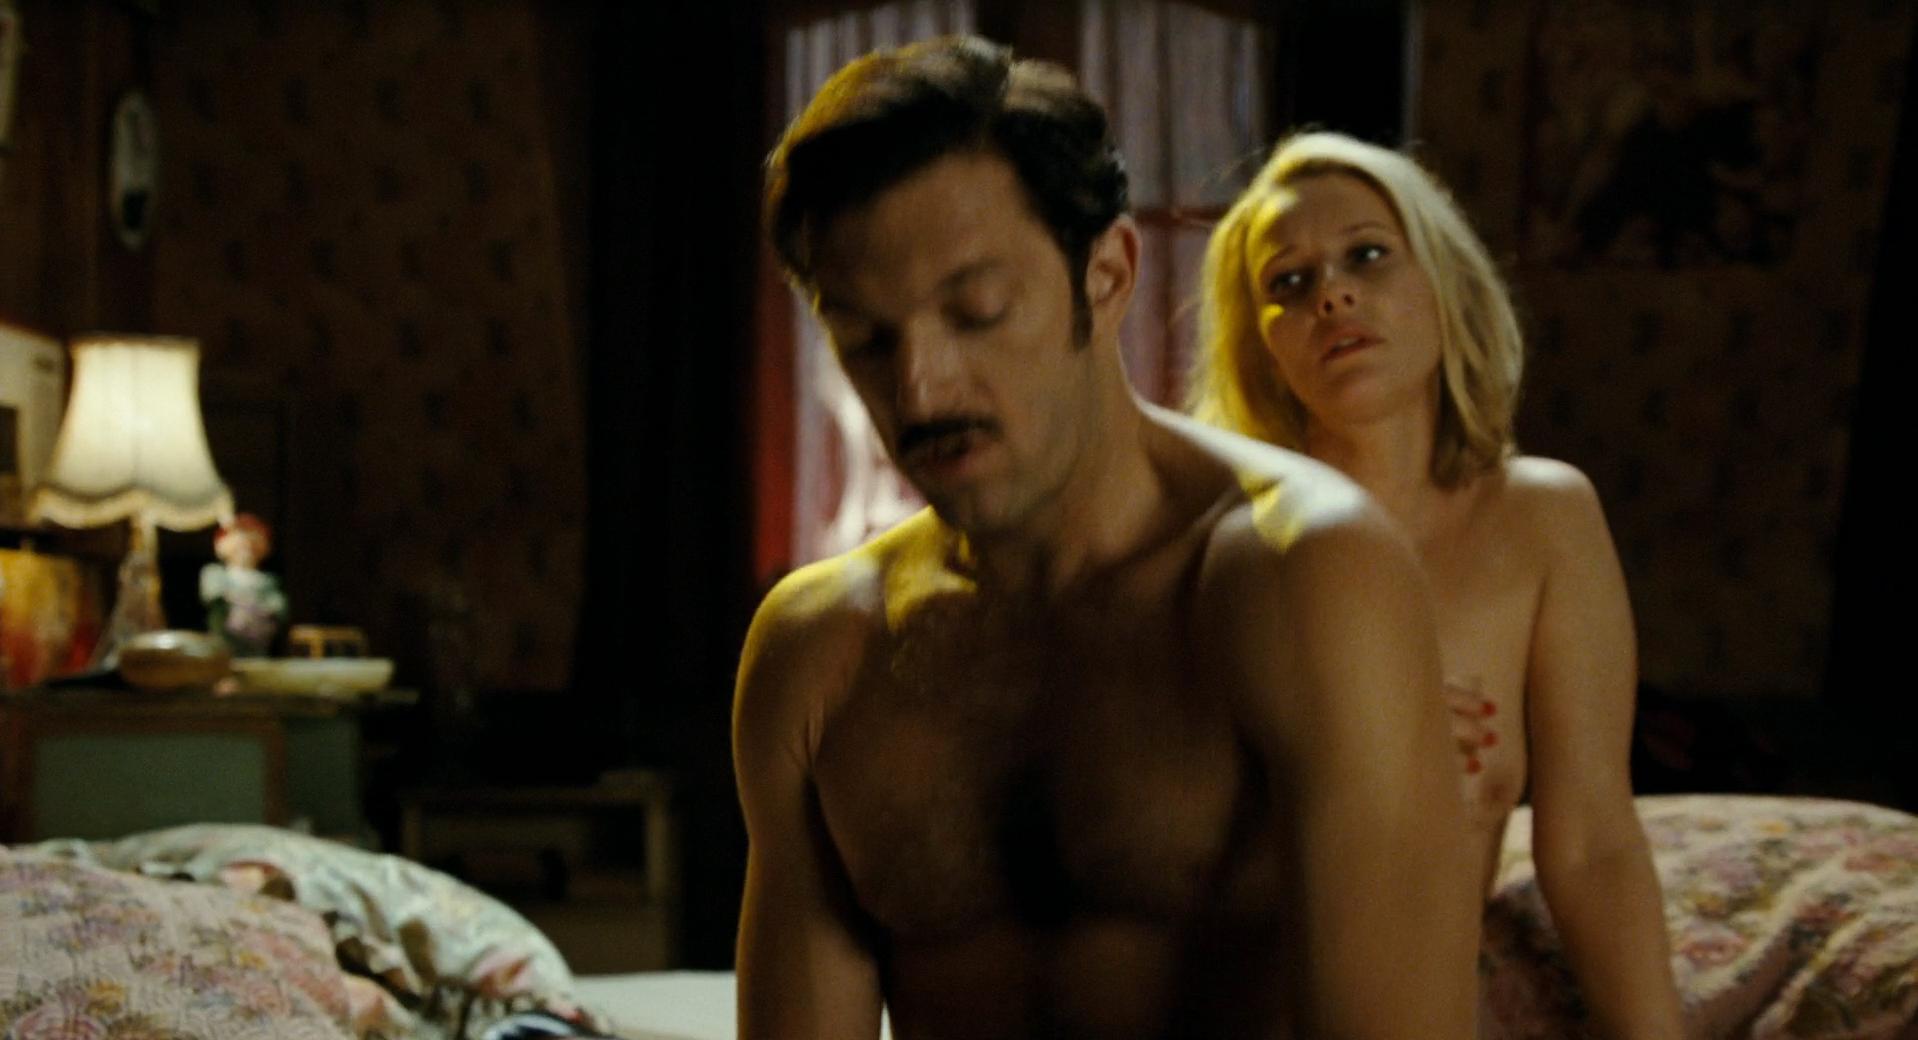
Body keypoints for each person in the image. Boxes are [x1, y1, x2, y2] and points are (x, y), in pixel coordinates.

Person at [734, 37, 1480, 1040]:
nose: (920, 387)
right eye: (866, 337)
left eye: (976, 311)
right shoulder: (819, 651)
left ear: (1109, 273)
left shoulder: (1303, 575)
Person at [1188, 130, 1685, 1039]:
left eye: (1368, 255)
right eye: (1288, 282)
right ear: (1262, 347)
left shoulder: (1544, 519)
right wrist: (1327, 759)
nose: (1332, 293)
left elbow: (1593, 847)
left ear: (1444, 284)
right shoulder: (1225, 546)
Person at [199, 512, 288, 657]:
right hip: (224, 647)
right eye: (240, 543)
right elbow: (213, 596)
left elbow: (278, 607)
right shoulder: (215, 573)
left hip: (258, 645)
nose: (246, 546)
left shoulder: (268, 581)